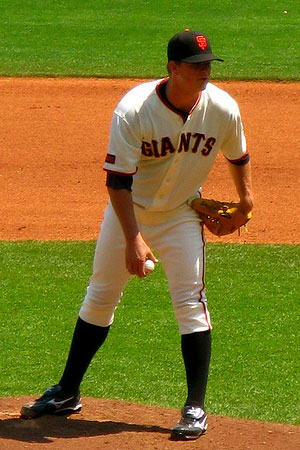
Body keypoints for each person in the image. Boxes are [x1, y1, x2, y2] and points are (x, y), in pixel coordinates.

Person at [21, 29, 253, 440]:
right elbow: (117, 183)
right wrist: (133, 238)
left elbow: (238, 155)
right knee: (100, 296)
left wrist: (246, 203)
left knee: (190, 302)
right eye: (196, 66)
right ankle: (67, 391)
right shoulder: (134, 110)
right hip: (129, 212)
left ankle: (195, 407)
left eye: (208, 65)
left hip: (183, 215)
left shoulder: (222, 108)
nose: (205, 72)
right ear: (173, 69)